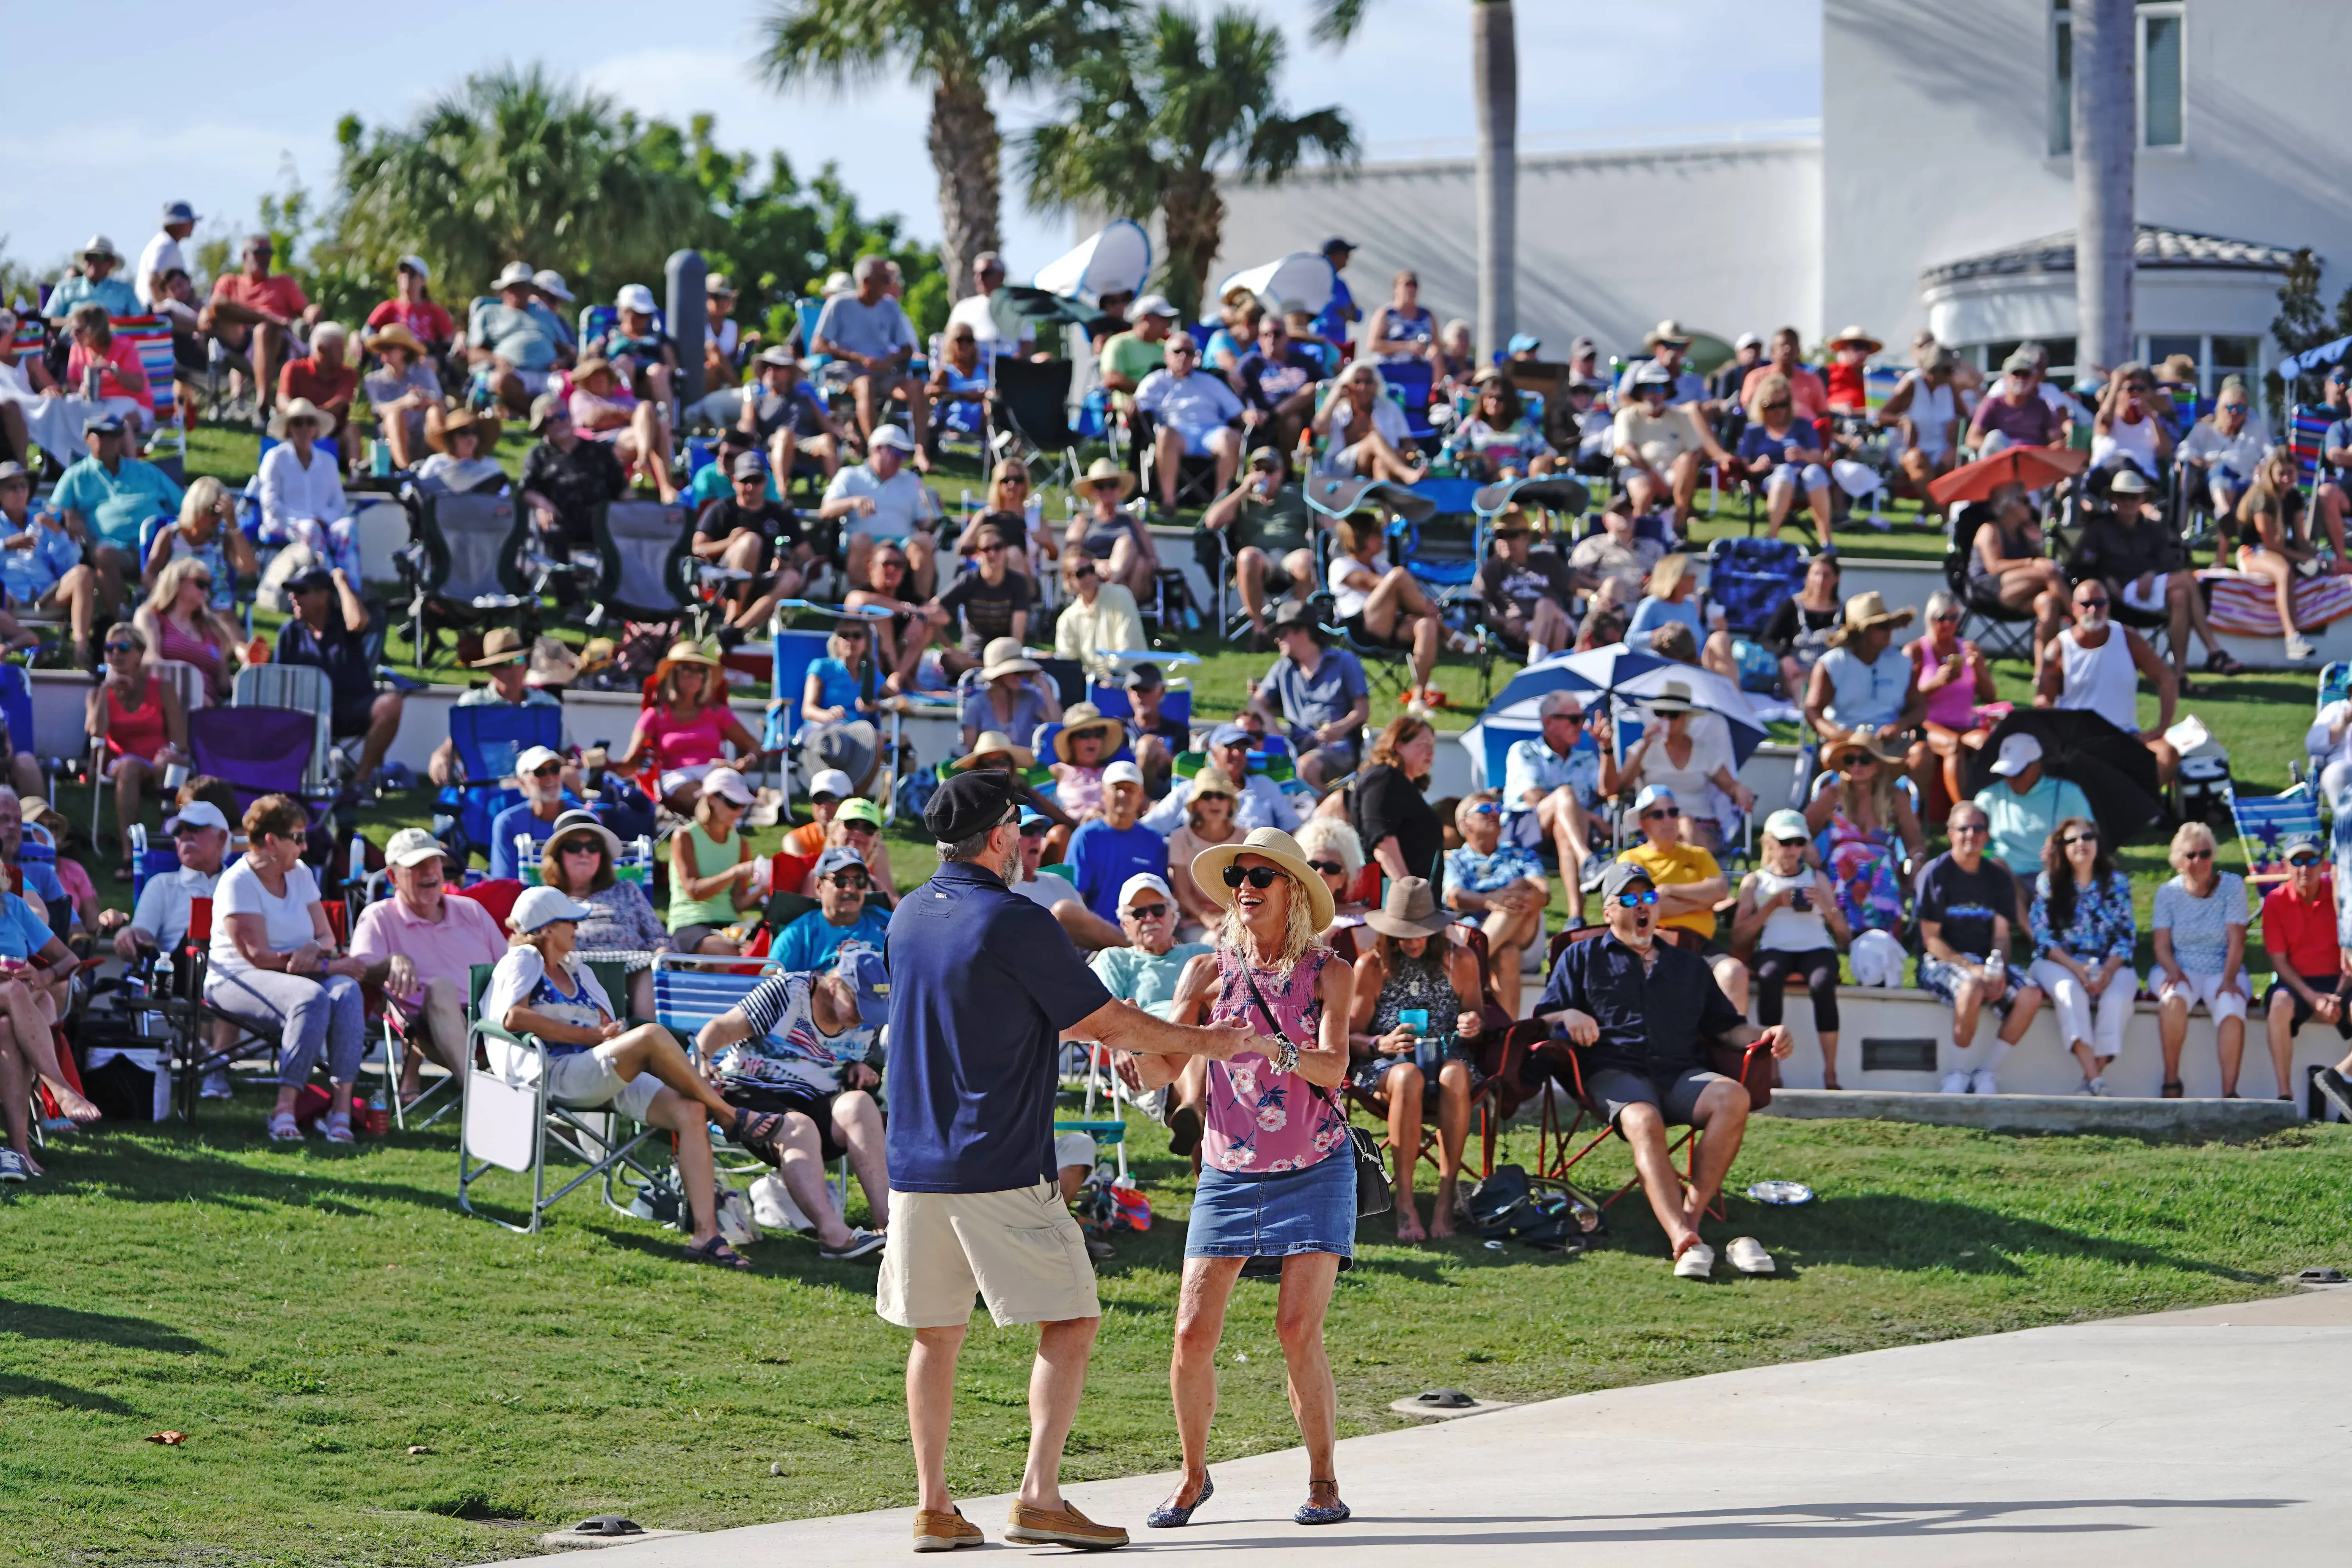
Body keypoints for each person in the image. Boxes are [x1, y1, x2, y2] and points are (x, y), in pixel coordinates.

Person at [878, 771, 1266, 1553]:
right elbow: (1109, 1019)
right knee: (1074, 1317)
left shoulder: (910, 914)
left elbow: (983, 1012)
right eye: (1020, 829)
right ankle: (1039, 1496)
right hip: (996, 1159)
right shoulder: (1016, 920)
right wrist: (1212, 1042)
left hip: (915, 1161)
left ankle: (934, 1506)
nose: (1028, 843)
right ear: (998, 838)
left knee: (936, 1332)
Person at [1131, 824, 1357, 1529]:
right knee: (1191, 1335)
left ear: (1294, 890)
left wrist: (1271, 1048)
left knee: (1297, 1331)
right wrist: (1148, 1040)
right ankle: (1194, 1477)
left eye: (1263, 877)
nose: (1249, 889)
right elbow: (1164, 1068)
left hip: (1316, 1164)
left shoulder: (1329, 973)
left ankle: (1324, 1480)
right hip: (1227, 1171)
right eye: (1239, 878)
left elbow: (1334, 1067)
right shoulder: (1207, 969)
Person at [486, 883, 789, 1267]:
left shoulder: (574, 967)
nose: (578, 930)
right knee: (649, 1036)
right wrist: (593, 1036)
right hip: (553, 1072)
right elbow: (514, 1017)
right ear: (546, 929)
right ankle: (729, 1114)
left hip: (594, 1070)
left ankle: (706, 1236)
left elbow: (605, 1022)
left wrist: (604, 1034)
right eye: (570, 923)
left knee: (689, 1110)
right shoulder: (523, 959)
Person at [1537, 860, 1791, 1278]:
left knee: (1733, 1096)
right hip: (1614, 1071)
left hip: (1679, 1073)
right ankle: (1681, 1236)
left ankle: (1690, 1218)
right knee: (1643, 1117)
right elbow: (1543, 1017)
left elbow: (1727, 1028)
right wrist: (1568, 1013)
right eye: (1631, 899)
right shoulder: (1581, 957)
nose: (1643, 906)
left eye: (1649, 898)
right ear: (1609, 911)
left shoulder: (1688, 965)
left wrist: (1767, 1033)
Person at [695, 948, 891, 1260]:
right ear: (835, 982)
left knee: (861, 1106)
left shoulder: (868, 1020)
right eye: (858, 1004)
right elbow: (720, 1029)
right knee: (798, 1125)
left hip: (816, 1099)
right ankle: (834, 1236)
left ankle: (891, 1229)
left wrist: (857, 1069)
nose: (864, 1017)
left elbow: (848, 1059)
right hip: (751, 1089)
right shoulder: (787, 991)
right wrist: (702, 1061)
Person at [204, 795, 372, 1143]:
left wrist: (314, 950)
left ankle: (340, 1111)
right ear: (271, 841)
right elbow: (258, 957)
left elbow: (325, 934)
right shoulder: (238, 882)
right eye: (297, 838)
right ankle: (285, 1109)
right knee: (311, 997)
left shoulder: (301, 874)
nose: (305, 845)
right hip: (235, 978)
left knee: (347, 991)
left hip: (298, 974)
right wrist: (329, 963)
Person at [1346, 876, 1482, 1243]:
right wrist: (1380, 1042)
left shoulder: (1462, 960)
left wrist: (1472, 1024)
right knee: (1408, 1077)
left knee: (1455, 1076)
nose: (1412, 940)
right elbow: (1350, 1036)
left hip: (1448, 1056)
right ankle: (1404, 1202)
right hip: (1389, 1066)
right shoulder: (1372, 966)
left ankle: (1445, 1199)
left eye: (1421, 931)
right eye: (1404, 932)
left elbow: (1477, 1018)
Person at [348, 827, 507, 1107]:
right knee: (441, 986)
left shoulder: (470, 910)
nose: (429, 872)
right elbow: (360, 969)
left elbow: (508, 968)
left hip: (493, 1023)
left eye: (434, 862)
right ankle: (480, 1099)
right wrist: (391, 960)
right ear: (392, 877)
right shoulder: (380, 917)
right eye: (416, 866)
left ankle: (564, 1118)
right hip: (428, 1029)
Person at [1916, 800, 2045, 1094]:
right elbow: (1931, 940)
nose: (1971, 835)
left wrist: (1996, 967)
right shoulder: (1935, 874)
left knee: (2031, 994)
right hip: (1940, 961)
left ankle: (1986, 1073)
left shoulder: (1998, 877)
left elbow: (2001, 933)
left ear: (1987, 836)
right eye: (1964, 828)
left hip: (1983, 962)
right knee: (1972, 986)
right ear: (1951, 833)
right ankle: (1957, 1074)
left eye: (1978, 829)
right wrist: (1972, 968)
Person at [1731, 810, 1850, 1089]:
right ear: (1770, 843)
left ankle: (1830, 1074)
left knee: (1823, 984)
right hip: (1774, 948)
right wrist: (1773, 905)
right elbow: (1738, 937)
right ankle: (1772, 1074)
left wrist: (1826, 906)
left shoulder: (1818, 878)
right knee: (1770, 977)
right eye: (1786, 842)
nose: (1794, 850)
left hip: (1817, 947)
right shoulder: (1756, 881)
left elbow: (1844, 936)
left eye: (1799, 842)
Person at [2035, 575, 2180, 787]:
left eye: (2100, 603)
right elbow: (2043, 702)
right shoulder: (2059, 648)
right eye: (2087, 605)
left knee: (2167, 755)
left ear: (2108, 606)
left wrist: (2162, 728)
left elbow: (2166, 679)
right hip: (2078, 740)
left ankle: (2140, 813)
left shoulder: (2128, 639)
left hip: (2126, 735)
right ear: (2074, 609)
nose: (2093, 610)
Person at [536, 809, 671, 1020]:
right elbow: (532, 943)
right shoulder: (546, 897)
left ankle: (649, 1037)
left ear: (602, 856)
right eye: (574, 847)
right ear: (558, 856)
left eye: (593, 847)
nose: (584, 854)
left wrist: (663, 953)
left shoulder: (627, 890)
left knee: (648, 967)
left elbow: (658, 936)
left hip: (632, 970)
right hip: (570, 969)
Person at [276, 566, 403, 785]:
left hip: (350, 708)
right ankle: (285, 778)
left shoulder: (344, 623)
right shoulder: (290, 632)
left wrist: (341, 584)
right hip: (304, 714)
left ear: (323, 597)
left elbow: (359, 622)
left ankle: (360, 783)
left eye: (302, 592)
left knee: (392, 704)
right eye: (292, 592)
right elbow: (277, 678)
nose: (293, 598)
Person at [2151, 821, 2250, 1100]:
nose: (2199, 861)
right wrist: (2173, 970)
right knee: (2173, 1000)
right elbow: (2160, 946)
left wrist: (2229, 980)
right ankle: (2171, 1081)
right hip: (2180, 965)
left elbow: (2237, 942)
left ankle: (2230, 1093)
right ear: (2178, 861)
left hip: (2223, 967)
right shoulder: (2167, 893)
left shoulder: (2232, 886)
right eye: (2191, 855)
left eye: (2205, 854)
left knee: (2231, 1007)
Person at [613, 640, 763, 815]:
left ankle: (723, 814)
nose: (693, 674)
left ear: (705, 678)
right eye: (686, 668)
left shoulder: (716, 712)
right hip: (675, 776)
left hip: (714, 772)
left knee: (720, 788)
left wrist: (747, 761)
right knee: (707, 798)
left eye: (699, 670)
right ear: (672, 675)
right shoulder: (655, 715)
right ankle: (727, 815)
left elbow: (754, 745)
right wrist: (608, 765)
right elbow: (632, 759)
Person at [1604, 680, 1754, 852]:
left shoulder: (1704, 752)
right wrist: (1645, 745)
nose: (1666, 719)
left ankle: (1687, 874)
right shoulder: (1641, 749)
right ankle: (1701, 876)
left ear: (1686, 717)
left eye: (1673, 714)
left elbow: (1731, 786)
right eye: (1660, 713)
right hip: (1657, 823)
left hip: (1702, 825)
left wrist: (1740, 790)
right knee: (1681, 825)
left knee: (1685, 824)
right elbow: (1622, 785)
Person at [811, 255, 929, 469]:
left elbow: (907, 349)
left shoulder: (891, 307)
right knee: (865, 385)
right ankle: (875, 452)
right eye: (885, 279)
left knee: (917, 387)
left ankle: (921, 453)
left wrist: (888, 361)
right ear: (866, 282)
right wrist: (858, 358)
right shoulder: (838, 305)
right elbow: (818, 346)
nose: (889, 284)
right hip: (847, 374)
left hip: (885, 373)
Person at [84, 623, 188, 855]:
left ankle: (170, 841)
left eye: (123, 648)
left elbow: (180, 739)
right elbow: (97, 733)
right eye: (110, 648)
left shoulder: (163, 688)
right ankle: (130, 853)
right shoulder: (97, 694)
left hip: (159, 761)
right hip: (120, 762)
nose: (115, 654)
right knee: (129, 766)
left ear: (140, 653)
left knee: (168, 762)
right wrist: (104, 692)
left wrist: (170, 751)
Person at [1327, 512, 1449, 706]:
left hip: (1395, 624)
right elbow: (1370, 583)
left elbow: (1407, 592)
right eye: (1376, 533)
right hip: (1363, 628)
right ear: (1360, 537)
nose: (1383, 537)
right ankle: (1450, 634)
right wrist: (1405, 590)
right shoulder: (1341, 566)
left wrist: (1417, 602)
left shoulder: (1383, 566)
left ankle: (1418, 699)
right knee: (1399, 575)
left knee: (1426, 625)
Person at [1443, 791, 1546, 1016]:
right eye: (1484, 810)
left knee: (1521, 885)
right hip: (1475, 933)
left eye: (1498, 809)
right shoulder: (1455, 858)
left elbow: (1544, 893)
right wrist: (1490, 901)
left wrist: (1515, 896)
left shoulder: (1521, 853)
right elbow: (1453, 897)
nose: (1494, 814)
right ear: (1464, 823)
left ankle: (1470, 962)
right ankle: (1507, 1039)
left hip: (1524, 934)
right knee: (1507, 954)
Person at [2260, 833, 2346, 1106]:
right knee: (2279, 1004)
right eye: (2297, 860)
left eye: (2312, 860)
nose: (2304, 868)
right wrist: (2314, 998)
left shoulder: (2342, 897)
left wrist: (2339, 996)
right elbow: (2279, 963)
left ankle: (2343, 1080)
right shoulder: (2275, 902)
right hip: (2297, 984)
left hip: (2341, 981)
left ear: (2324, 864)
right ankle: (2285, 1095)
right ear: (2286, 865)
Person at [1250, 601, 1370, 789]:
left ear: (1303, 632)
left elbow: (1362, 710)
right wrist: (1272, 727)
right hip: (1295, 747)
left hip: (1337, 747)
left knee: (1305, 768)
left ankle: (1325, 812)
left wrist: (1338, 728)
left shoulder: (1345, 662)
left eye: (1282, 634)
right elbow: (1256, 704)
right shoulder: (1283, 668)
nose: (1277, 640)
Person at [426, 627, 561, 789]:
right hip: (486, 791)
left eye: (518, 660)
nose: (513, 669)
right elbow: (454, 745)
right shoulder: (473, 703)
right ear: (491, 669)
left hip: (537, 790)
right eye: (503, 664)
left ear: (526, 663)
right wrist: (440, 756)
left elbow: (565, 751)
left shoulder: (547, 704)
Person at [52, 413, 181, 583]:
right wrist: (69, 512)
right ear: (87, 438)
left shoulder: (146, 471)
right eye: (101, 435)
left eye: (114, 436)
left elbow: (185, 505)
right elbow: (52, 511)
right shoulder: (75, 476)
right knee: (105, 555)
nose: (108, 441)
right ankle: (117, 611)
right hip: (112, 549)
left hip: (158, 547)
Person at [1503, 691, 1605, 902]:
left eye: (1583, 718)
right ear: (1549, 722)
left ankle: (1576, 918)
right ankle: (1587, 858)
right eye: (1574, 719)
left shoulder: (1587, 758)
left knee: (1565, 825)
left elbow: (1608, 790)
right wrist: (1591, 817)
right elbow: (1534, 797)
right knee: (1565, 795)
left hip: (1569, 831)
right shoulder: (1525, 750)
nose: (1581, 725)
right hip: (1526, 829)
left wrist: (1608, 749)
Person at [818, 425, 938, 603]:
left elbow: (926, 525)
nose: (901, 460)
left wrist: (935, 509)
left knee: (924, 542)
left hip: (902, 546)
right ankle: (860, 603)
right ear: (877, 450)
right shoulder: (850, 475)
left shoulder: (912, 481)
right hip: (864, 545)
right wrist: (853, 502)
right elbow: (825, 511)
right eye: (897, 454)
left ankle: (922, 609)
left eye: (904, 455)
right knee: (861, 540)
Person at [202, 236, 316, 417]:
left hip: (276, 343)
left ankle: (262, 405)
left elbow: (307, 309)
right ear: (245, 256)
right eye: (259, 253)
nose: (265, 258)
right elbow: (216, 306)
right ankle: (267, 320)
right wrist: (268, 318)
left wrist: (313, 313)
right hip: (239, 342)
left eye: (268, 253)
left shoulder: (283, 283)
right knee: (220, 309)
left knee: (265, 330)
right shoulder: (230, 282)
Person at [1906, 589, 1998, 809]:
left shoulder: (1969, 650)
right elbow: (1905, 701)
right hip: (1928, 723)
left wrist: (1979, 670)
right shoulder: (1917, 651)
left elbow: (1990, 697)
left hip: (1963, 724)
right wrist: (1936, 683)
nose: (1947, 624)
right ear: (1930, 620)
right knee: (1953, 746)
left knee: (1987, 743)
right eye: (1941, 619)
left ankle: (1991, 808)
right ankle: (1963, 811)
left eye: (1954, 618)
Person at [1133, 335, 1245, 514]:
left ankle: (1220, 505)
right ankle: (1168, 504)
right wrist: (1129, 407)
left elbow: (1238, 411)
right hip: (1178, 433)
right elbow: (1138, 405)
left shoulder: (1210, 381)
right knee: (1165, 434)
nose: (1183, 356)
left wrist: (1252, 414)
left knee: (1231, 438)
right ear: (1166, 356)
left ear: (1196, 357)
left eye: (1189, 352)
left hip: (1211, 432)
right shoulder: (1155, 381)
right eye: (1178, 351)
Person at [0, 461, 98, 662]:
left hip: (46, 593)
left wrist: (59, 533)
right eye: (12, 487)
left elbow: (69, 566)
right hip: (8, 594)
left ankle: (80, 648)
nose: (20, 492)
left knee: (83, 574)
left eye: (23, 486)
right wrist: (7, 546)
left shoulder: (42, 522)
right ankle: (21, 641)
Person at [2234, 446, 2325, 663]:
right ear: (2271, 473)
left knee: (2327, 568)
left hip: (2283, 550)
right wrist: (2304, 558)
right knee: (2284, 571)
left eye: (2290, 473)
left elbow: (2301, 540)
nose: (2286, 478)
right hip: (2253, 552)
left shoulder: (2294, 497)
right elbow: (2270, 544)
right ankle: (2292, 638)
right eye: (2281, 473)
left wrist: (2320, 557)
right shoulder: (2262, 496)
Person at [1614, 361, 1730, 530]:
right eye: (1648, 389)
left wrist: (1682, 465)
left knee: (1687, 460)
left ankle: (1678, 526)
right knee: (1644, 492)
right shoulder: (1627, 415)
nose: (1654, 394)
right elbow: (1628, 451)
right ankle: (1637, 534)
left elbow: (1697, 450)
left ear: (1668, 392)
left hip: (1672, 474)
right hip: (1638, 471)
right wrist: (1654, 477)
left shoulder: (1680, 417)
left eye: (1660, 389)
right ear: (1640, 392)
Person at [1804, 590, 1924, 750]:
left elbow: (1920, 708)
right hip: (1845, 744)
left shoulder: (1902, 663)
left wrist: (1901, 725)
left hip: (1891, 743)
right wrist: (1840, 735)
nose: (1890, 631)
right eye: (1883, 626)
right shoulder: (1832, 664)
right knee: (1828, 754)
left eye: (1890, 625)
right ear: (1862, 631)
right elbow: (1813, 711)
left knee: (1922, 754)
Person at [1973, 732, 2094, 889]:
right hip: (2004, 879)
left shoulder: (2069, 794)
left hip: (2056, 875)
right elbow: (1978, 844)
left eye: (2017, 773)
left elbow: (2090, 838)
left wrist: (2064, 849)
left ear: (2036, 765)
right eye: (2006, 774)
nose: (2011, 780)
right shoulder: (1988, 797)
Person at [1145, 721, 1302, 837]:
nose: (1237, 754)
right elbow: (1151, 827)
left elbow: (1292, 828)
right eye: (1230, 747)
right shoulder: (1188, 790)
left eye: (1242, 748)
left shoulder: (1264, 786)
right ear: (1213, 753)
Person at [1732, 372, 1833, 550]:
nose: (1778, 411)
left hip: (1805, 480)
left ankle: (1827, 542)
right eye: (1771, 406)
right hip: (1770, 481)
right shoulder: (1754, 431)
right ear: (1761, 406)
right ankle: (1772, 539)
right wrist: (1757, 467)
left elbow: (1819, 458)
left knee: (1815, 472)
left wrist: (1803, 455)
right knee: (1785, 472)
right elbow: (1744, 464)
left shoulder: (1803, 425)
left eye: (1783, 404)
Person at [518, 393, 626, 555]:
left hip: (601, 522)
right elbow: (526, 490)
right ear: (543, 427)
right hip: (560, 521)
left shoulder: (599, 452)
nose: (558, 423)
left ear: (570, 417)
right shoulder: (538, 455)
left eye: (562, 416)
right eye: (549, 421)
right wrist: (542, 505)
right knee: (552, 534)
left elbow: (622, 489)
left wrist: (632, 515)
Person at [668, 767, 760, 955]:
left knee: (763, 948)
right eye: (733, 803)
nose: (739, 811)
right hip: (689, 923)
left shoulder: (742, 844)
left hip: (731, 927)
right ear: (711, 798)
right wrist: (735, 872)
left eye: (743, 805)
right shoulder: (684, 837)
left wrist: (764, 889)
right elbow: (694, 891)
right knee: (726, 952)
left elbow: (738, 902)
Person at [131, 556, 241, 706]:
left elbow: (223, 684)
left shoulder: (213, 630)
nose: (206, 591)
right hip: (165, 702)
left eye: (209, 585)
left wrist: (245, 680)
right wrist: (192, 694)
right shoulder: (151, 617)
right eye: (201, 584)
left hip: (206, 710)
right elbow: (151, 662)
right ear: (178, 583)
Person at [566, 356, 676, 503]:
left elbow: (648, 413)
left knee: (655, 419)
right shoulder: (582, 397)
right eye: (594, 375)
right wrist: (629, 415)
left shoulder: (624, 398)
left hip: (632, 438)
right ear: (586, 379)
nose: (599, 378)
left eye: (603, 374)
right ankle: (653, 472)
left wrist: (620, 415)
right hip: (603, 444)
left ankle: (663, 485)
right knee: (650, 421)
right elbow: (594, 420)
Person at [1069, 762, 1167, 924]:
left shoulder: (1155, 841)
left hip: (1144, 934)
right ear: (1103, 792)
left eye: (1130, 789)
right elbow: (1076, 897)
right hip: (1097, 937)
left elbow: (1161, 897)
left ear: (1141, 796)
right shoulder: (1086, 837)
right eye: (1117, 788)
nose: (1123, 794)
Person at [1350, 714, 1443, 883]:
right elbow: (1381, 838)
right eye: (1424, 745)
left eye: (1433, 746)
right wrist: (1408, 889)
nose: (1431, 752)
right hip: (1394, 899)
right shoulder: (1384, 778)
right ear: (1399, 746)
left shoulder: (1406, 787)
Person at [1474, 509, 1576, 661]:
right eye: (1501, 536)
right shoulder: (1491, 569)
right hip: (1521, 629)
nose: (1506, 541)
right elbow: (1478, 607)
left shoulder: (1546, 561)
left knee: (1546, 606)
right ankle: (1548, 676)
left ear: (1527, 537)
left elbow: (1576, 585)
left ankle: (1534, 664)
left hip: (1554, 615)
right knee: (1558, 628)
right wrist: (1505, 622)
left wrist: (1597, 595)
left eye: (1513, 535)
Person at [846, 537, 945, 694]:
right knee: (879, 617)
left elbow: (943, 616)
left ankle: (898, 678)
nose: (892, 569)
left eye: (898, 565)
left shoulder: (907, 596)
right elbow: (856, 602)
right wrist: (913, 610)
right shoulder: (864, 591)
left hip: (901, 667)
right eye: (886, 564)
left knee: (926, 624)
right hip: (866, 666)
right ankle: (900, 679)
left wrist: (920, 618)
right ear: (872, 568)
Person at [741, 345, 849, 488]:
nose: (771, 371)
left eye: (777, 367)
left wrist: (848, 434)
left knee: (827, 441)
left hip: (806, 444)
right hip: (774, 446)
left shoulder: (805, 399)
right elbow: (746, 427)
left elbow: (827, 425)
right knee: (785, 434)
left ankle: (838, 493)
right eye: (767, 366)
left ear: (789, 372)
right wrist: (743, 432)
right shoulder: (756, 403)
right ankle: (782, 492)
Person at [2176, 382, 2270, 546]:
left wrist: (2263, 465)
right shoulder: (2204, 429)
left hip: (2247, 487)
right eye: (2230, 407)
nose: (2235, 413)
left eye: (2241, 409)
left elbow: (2272, 454)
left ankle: (2223, 546)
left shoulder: (2256, 430)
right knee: (2221, 470)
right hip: (2208, 492)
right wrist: (2201, 462)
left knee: (2227, 478)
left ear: (2247, 411)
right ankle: (2226, 515)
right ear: (2220, 408)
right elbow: (2184, 451)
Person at [774, 845, 891, 972]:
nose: (851, 889)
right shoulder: (799, 934)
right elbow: (770, 979)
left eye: (860, 881)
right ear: (819, 886)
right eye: (840, 881)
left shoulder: (890, 924)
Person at [933, 517, 1032, 667]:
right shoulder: (969, 580)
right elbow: (932, 609)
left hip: (1004, 654)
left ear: (1006, 549)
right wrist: (951, 648)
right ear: (978, 554)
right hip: (974, 653)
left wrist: (1013, 659)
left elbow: (1017, 636)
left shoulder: (1018, 583)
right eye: (986, 549)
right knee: (948, 660)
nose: (992, 553)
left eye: (998, 547)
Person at [1063, 457, 1161, 603]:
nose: (1107, 490)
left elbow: (1154, 559)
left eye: (1112, 485)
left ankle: (1109, 591)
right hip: (1093, 577)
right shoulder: (1083, 522)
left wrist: (1128, 566)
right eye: (1101, 486)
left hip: (1130, 582)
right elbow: (1070, 559)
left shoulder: (1133, 522)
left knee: (1128, 544)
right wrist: (1096, 564)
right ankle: (1111, 594)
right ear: (1093, 491)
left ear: (1119, 489)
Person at [1309, 360, 1422, 484]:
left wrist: (1409, 452)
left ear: (1376, 385)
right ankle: (1406, 474)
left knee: (1380, 462)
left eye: (1368, 382)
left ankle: (1386, 496)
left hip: (1382, 462)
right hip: (1343, 467)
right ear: (1349, 384)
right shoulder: (1339, 410)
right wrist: (1336, 394)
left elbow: (1407, 441)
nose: (1362, 387)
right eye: (1357, 382)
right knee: (1374, 438)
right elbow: (1319, 428)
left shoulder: (1389, 407)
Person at [1878, 344, 1964, 506]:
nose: (1952, 374)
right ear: (1933, 370)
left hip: (1940, 448)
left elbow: (1966, 416)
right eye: (1948, 370)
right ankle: (1945, 516)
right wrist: (1903, 421)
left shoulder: (1950, 386)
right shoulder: (1912, 383)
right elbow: (1881, 416)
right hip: (1908, 449)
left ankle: (1932, 511)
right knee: (1917, 460)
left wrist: (1957, 425)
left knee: (1954, 458)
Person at [1166, 768, 1244, 938]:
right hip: (1197, 921)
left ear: (1230, 803)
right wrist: (1208, 920)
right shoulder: (1179, 838)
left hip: (1243, 918)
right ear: (1197, 805)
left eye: (1221, 796)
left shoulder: (1247, 837)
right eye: (1207, 796)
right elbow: (1183, 894)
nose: (1214, 802)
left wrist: (1231, 919)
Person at [1052, 546, 1146, 686]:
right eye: (1080, 573)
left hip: (1133, 680)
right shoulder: (1067, 618)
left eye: (1091, 570)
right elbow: (1068, 663)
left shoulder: (1120, 595)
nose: (1088, 577)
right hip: (1091, 684)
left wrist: (1112, 677)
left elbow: (1128, 644)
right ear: (1068, 579)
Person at [485, 746, 582, 881]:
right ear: (522, 783)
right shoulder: (507, 823)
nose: (550, 778)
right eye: (540, 772)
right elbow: (505, 883)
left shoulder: (584, 818)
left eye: (555, 769)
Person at [1232, 313, 1323, 455]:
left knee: (1311, 390)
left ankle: (1274, 417)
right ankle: (1286, 472)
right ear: (1259, 339)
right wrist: (1246, 413)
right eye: (1266, 334)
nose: (1272, 339)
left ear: (1287, 337)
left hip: (1303, 418)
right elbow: (1233, 389)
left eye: (1277, 334)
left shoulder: (1304, 361)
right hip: (1262, 422)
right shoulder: (1251, 363)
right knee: (1292, 421)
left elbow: (1326, 385)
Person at [1760, 553, 1843, 704]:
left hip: (1833, 674)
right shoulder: (1793, 606)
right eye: (1816, 574)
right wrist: (1785, 657)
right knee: (1806, 695)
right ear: (1808, 577)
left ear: (1837, 579)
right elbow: (1767, 639)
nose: (1821, 581)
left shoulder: (1844, 612)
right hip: (1799, 672)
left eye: (1827, 575)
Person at [1444, 368, 1553, 482]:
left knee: (1538, 465)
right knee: (1510, 474)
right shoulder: (1473, 424)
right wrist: (1480, 456)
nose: (1494, 403)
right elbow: (1453, 452)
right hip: (1486, 482)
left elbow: (1547, 451)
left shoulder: (1523, 426)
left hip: (1522, 479)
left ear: (1509, 402)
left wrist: (1540, 463)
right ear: (1483, 399)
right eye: (1490, 397)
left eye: (1500, 399)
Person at [62, 305, 153, 440]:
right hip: (95, 405)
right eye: (72, 330)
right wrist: (81, 390)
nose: (72, 335)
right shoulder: (77, 349)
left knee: (117, 424)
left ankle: (122, 459)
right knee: (67, 410)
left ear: (95, 330)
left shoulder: (124, 347)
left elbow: (139, 386)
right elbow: (72, 383)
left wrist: (115, 371)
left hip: (132, 404)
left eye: (78, 331)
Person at [957, 635, 1058, 756]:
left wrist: (1044, 686)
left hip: (1024, 768)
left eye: (1024, 672)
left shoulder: (1031, 697)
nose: (1021, 677)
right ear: (998, 675)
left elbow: (1057, 724)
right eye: (1016, 672)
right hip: (989, 769)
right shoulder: (976, 705)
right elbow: (969, 751)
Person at [276, 323, 359, 468]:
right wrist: (301, 416)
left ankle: (356, 473)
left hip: (333, 432)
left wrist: (312, 416)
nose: (344, 352)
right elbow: (282, 400)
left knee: (352, 429)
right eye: (340, 348)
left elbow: (341, 402)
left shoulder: (348, 374)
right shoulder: (294, 369)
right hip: (298, 429)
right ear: (322, 349)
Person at [363, 256, 456, 366]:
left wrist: (437, 361)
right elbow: (367, 335)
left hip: (424, 367)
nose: (406, 277)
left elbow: (450, 346)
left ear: (423, 281)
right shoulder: (387, 308)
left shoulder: (436, 312)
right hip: (392, 369)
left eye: (412, 273)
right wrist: (356, 337)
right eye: (402, 273)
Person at [1967, 350, 2067, 454]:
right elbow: (1972, 439)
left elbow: (2055, 440)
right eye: (2016, 373)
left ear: (2033, 379)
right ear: (2005, 378)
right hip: (2000, 460)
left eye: (2026, 375)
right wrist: (2004, 451)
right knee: (1995, 437)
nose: (2021, 379)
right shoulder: (1992, 404)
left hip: (2031, 460)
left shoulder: (2041, 406)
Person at [2089, 362, 2174, 480]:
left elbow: (2164, 453)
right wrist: (2115, 384)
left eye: (2141, 389)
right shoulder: (2110, 417)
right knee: (2124, 463)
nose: (2136, 393)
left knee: (2130, 469)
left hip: (2142, 482)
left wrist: (2153, 418)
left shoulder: (2153, 420)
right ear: (2119, 392)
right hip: (2105, 478)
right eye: (2131, 389)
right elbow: (2105, 420)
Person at [1098, 294, 1176, 406]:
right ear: (1145, 318)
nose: (1167, 324)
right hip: (1134, 415)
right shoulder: (1119, 343)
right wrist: (1149, 392)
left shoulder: (1169, 348)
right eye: (1163, 319)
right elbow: (1112, 379)